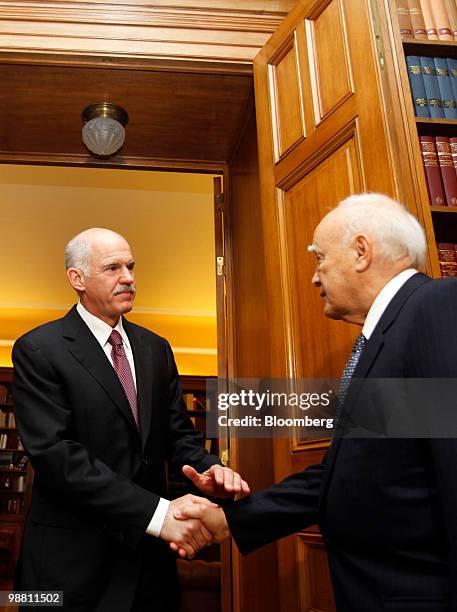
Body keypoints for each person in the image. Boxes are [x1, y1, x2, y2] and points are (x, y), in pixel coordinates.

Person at [175, 193, 457, 611]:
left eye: (320, 258)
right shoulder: (383, 338)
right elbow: (337, 474)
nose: (314, 278)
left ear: (361, 252)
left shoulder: (437, 307)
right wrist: (228, 521)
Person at [12, 227, 249, 611]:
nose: (129, 278)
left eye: (131, 266)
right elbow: (57, 457)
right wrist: (159, 515)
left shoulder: (156, 348)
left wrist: (210, 469)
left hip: (149, 561)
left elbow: (179, 435)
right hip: (70, 561)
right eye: (112, 268)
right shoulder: (38, 349)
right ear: (77, 279)